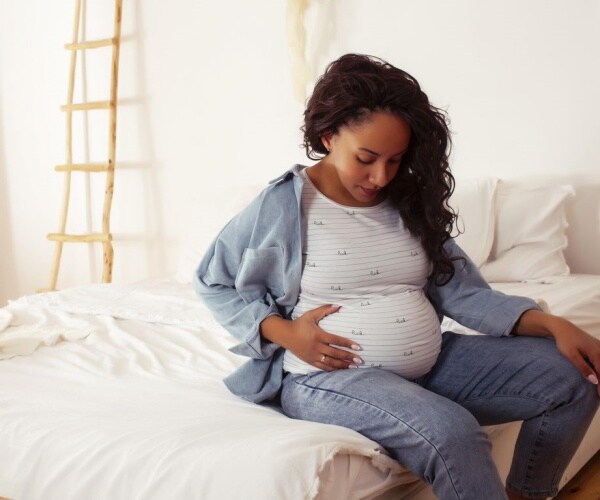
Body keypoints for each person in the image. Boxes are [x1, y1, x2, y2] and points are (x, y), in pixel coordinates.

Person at [194, 54, 600, 500]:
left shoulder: (406, 202)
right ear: (328, 136)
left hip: (435, 364)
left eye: (395, 160)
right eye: (366, 158)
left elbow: (462, 291)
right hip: (328, 379)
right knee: (454, 432)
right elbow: (214, 281)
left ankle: (528, 494)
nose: (380, 176)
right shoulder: (282, 207)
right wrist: (285, 333)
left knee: (578, 376)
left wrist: (553, 325)